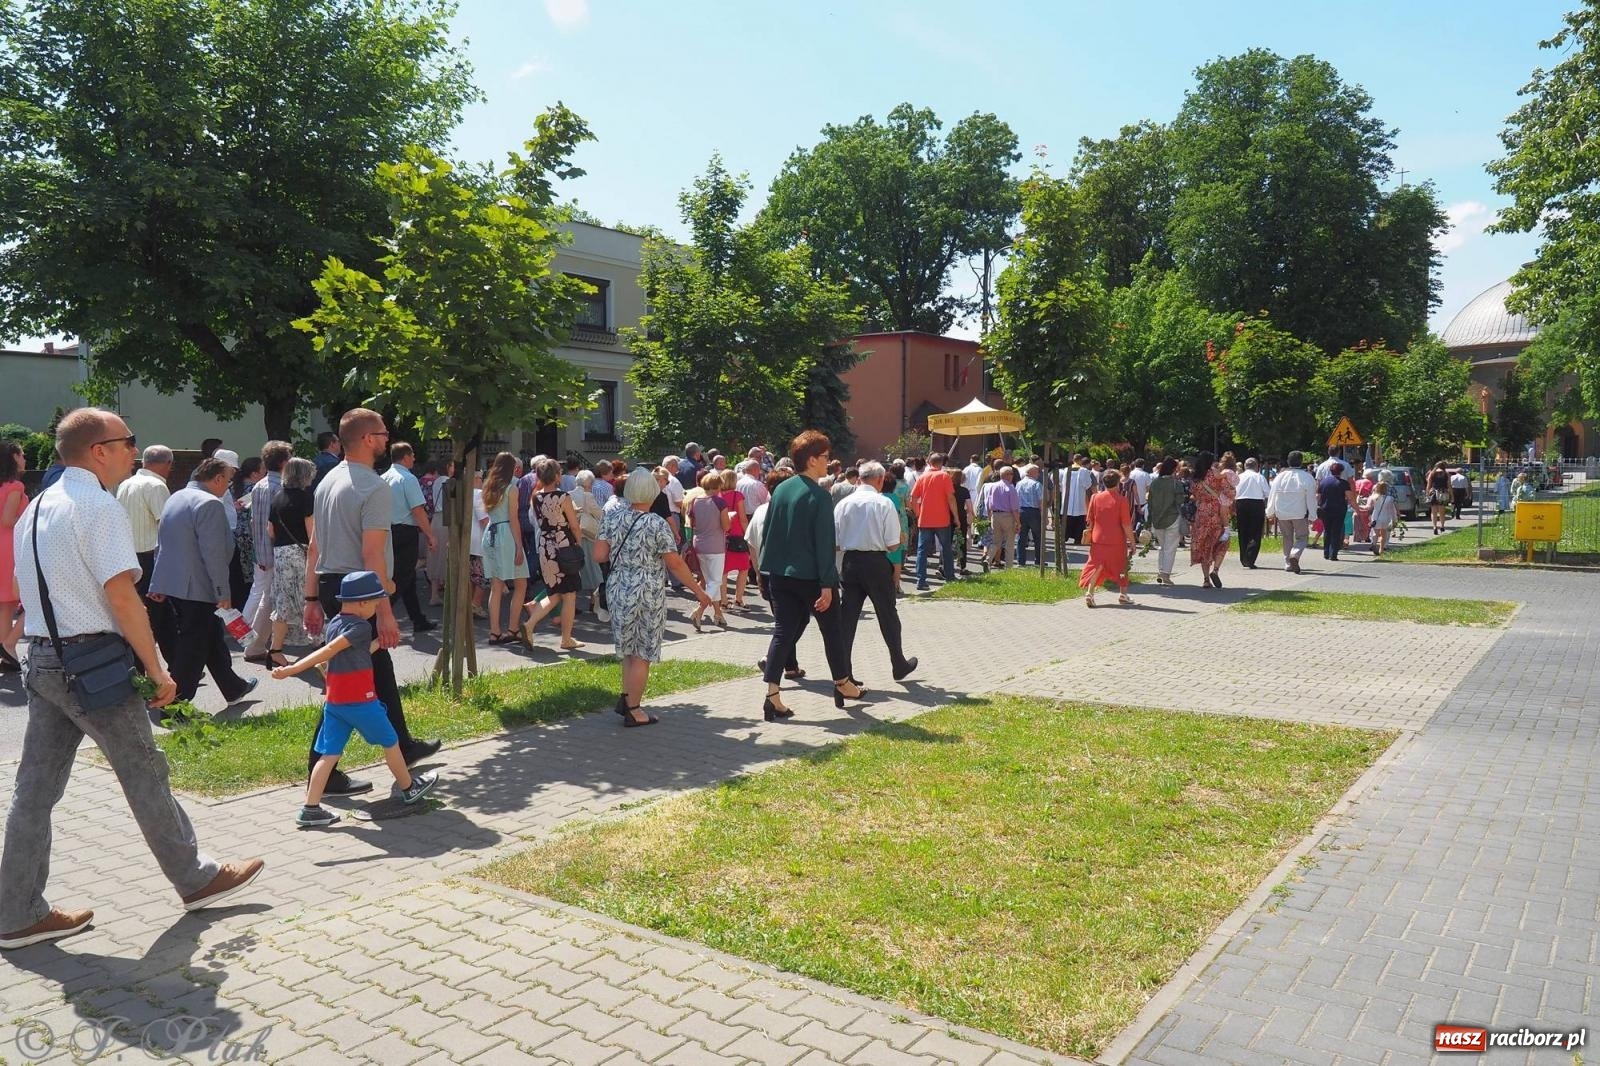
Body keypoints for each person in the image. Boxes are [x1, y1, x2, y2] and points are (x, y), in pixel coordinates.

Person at [2, 408, 263, 950]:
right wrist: (157, 667)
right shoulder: (96, 506)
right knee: (145, 771)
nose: (134, 452)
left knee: (35, 790)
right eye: (128, 442)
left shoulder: (38, 506)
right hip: (92, 664)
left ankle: (15, 910)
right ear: (99, 450)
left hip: (46, 661)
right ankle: (195, 878)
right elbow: (121, 596)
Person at [303, 408, 440, 798]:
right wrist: (384, 612)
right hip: (361, 594)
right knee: (353, 677)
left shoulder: (328, 480)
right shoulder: (373, 487)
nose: (386, 439)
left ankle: (402, 745)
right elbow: (372, 556)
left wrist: (312, 597)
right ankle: (322, 771)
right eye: (382, 433)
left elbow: (314, 546)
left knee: (374, 671)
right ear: (367, 439)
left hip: (333, 585)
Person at [272, 571, 439, 826]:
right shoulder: (360, 626)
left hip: (335, 704)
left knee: (328, 755)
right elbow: (328, 651)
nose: (375, 608)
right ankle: (409, 789)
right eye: (374, 603)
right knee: (391, 741)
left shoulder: (337, 623)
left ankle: (311, 808)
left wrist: (379, 644)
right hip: (361, 702)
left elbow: (353, 651)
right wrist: (291, 670)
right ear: (362, 603)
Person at [595, 468, 716, 727]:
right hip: (646, 591)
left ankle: (626, 698)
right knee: (642, 653)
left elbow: (599, 556)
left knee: (628, 650)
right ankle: (634, 709)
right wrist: (700, 592)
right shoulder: (656, 523)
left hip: (617, 589)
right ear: (652, 492)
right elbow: (675, 564)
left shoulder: (612, 518)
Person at [758, 430, 863, 720]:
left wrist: (763, 571)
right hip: (811, 578)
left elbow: (769, 533)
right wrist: (828, 584)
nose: (829, 461)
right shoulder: (818, 495)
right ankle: (843, 683)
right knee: (833, 631)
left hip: (780, 574)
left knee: (782, 632)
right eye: (826, 456)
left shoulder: (781, 489)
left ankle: (772, 695)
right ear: (813, 459)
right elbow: (824, 545)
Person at [148, 454, 259, 705]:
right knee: (194, 646)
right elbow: (214, 554)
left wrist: (159, 583)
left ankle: (233, 687)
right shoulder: (209, 504)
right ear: (218, 478)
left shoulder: (176, 496)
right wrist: (223, 592)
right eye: (228, 482)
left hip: (177, 585)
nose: (229, 488)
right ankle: (175, 704)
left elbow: (162, 546)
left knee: (209, 637)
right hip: (200, 586)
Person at [835, 462, 918, 681]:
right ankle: (898, 663)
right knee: (887, 614)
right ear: (880, 480)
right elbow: (892, 544)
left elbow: (835, 541)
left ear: (860, 478)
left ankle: (844, 673)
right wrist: (897, 538)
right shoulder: (883, 503)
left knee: (848, 618)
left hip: (851, 562)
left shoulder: (843, 504)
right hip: (875, 562)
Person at [521, 458, 586, 651]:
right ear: (557, 476)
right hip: (564, 547)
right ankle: (566, 639)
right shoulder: (563, 496)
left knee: (556, 592)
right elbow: (574, 525)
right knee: (570, 595)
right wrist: (578, 543)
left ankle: (530, 624)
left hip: (545, 548)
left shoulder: (536, 497)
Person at [240, 442, 292, 664]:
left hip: (261, 550)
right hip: (276, 551)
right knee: (269, 599)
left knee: (262, 595)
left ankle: (250, 639)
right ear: (283, 462)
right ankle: (255, 644)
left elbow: (254, 521)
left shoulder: (258, 486)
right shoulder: (280, 487)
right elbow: (279, 524)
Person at [381, 441, 438, 633]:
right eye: (412, 454)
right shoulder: (408, 478)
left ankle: (417, 619)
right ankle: (379, 616)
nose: (414, 458)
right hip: (405, 532)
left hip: (387, 532)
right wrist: (430, 535)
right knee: (402, 577)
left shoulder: (383, 477)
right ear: (405, 456)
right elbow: (417, 509)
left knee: (407, 577)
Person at [265, 457, 316, 665]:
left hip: (281, 554)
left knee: (283, 603)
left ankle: (274, 650)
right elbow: (312, 534)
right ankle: (322, 651)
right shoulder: (306, 498)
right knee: (310, 599)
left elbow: (270, 530)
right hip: (300, 554)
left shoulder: (278, 497)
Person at [478, 452, 529, 646]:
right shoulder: (511, 489)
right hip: (506, 534)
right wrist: (518, 546)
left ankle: (494, 632)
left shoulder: (488, 487)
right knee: (521, 583)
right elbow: (514, 520)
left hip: (490, 533)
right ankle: (513, 628)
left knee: (496, 586)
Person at [1080, 468, 1135, 607]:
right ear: (1118, 483)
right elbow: (1126, 525)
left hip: (1098, 538)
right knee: (1121, 566)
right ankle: (1123, 594)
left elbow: (1090, 519)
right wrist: (1132, 542)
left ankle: (1090, 593)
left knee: (1096, 566)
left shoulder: (1095, 498)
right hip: (1116, 540)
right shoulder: (1122, 500)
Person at [688, 471, 730, 630]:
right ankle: (699, 611)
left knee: (710, 581)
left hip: (699, 544)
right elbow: (726, 526)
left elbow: (693, 523)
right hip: (715, 545)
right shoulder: (720, 502)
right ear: (718, 485)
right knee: (715, 581)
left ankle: (718, 614)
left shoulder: (695, 501)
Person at [910, 452, 957, 590]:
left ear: (929, 462)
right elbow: (951, 498)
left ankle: (921, 580)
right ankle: (950, 577)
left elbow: (913, 498)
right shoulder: (944, 476)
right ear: (941, 463)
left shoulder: (922, 477)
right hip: (942, 519)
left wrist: (918, 513)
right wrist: (956, 517)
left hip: (925, 519)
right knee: (946, 549)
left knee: (922, 551)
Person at [0, 439, 28, 672]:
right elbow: (8, 520)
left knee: (5, 603)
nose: (25, 459)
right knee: (20, 599)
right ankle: (8, 647)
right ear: (13, 457)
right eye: (21, 455)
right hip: (9, 545)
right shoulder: (15, 487)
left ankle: (7, 651)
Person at [1189, 451, 1235, 588]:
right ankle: (1215, 570)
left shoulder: (1195, 478)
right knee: (1223, 542)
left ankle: (1205, 579)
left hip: (1201, 515)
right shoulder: (1216, 475)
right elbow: (1230, 491)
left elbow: (1194, 496)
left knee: (1204, 546)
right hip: (1216, 513)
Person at [1267, 451, 1317, 573]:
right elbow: (1311, 498)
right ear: (1301, 461)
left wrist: (1269, 512)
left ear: (1288, 462)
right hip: (1299, 513)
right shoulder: (1307, 477)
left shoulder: (1279, 476)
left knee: (1287, 537)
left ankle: (1288, 563)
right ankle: (1295, 554)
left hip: (1282, 512)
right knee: (1302, 537)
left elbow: (1272, 495)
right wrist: (1312, 515)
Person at [718, 469, 753, 610]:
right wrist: (748, 535)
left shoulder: (717, 496)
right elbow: (743, 518)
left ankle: (724, 601)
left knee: (723, 571)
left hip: (722, 536)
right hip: (737, 536)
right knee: (744, 568)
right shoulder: (737, 496)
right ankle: (738, 599)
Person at [1146, 458, 1183, 585]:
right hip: (1172, 518)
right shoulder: (1175, 484)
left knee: (1162, 547)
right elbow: (1180, 502)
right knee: (1170, 548)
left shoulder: (1154, 483)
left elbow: (1150, 503)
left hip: (1157, 519)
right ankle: (1165, 574)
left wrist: (1149, 519)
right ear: (1173, 469)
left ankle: (1161, 570)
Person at [426, 459, 454, 605]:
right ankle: (449, 594)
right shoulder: (450, 482)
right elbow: (452, 505)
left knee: (435, 556)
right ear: (448, 466)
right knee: (446, 556)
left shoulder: (436, 481)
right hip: (446, 519)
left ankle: (434, 594)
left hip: (436, 519)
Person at [1234, 457, 1270, 569]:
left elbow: (1234, 491)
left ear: (1245, 466)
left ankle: (1244, 557)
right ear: (1257, 466)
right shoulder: (1259, 477)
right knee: (1255, 532)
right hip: (1257, 503)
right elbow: (1267, 493)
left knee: (1243, 531)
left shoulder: (1239, 477)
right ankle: (1250, 557)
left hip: (1241, 503)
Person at [983, 466, 1021, 571]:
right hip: (1008, 516)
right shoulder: (1011, 488)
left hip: (995, 515)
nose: (1013, 476)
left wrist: (990, 516)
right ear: (1008, 475)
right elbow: (1014, 508)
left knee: (996, 542)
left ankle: (988, 559)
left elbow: (988, 503)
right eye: (1012, 474)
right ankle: (1009, 568)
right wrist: (1018, 522)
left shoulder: (993, 486)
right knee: (1009, 542)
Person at [1318, 461, 1353, 561]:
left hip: (1325, 509)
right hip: (1339, 509)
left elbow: (1318, 496)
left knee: (1327, 530)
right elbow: (1349, 497)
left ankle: (1326, 553)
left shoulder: (1323, 482)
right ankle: (1333, 554)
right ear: (1341, 472)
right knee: (1336, 531)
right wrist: (1355, 507)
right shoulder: (1344, 483)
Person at [1015, 462, 1044, 566]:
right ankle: (1038, 560)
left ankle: (1021, 561)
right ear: (1033, 472)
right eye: (1037, 472)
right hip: (1034, 512)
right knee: (1038, 537)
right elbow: (1041, 501)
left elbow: (1016, 499)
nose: (1039, 475)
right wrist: (1043, 514)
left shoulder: (1019, 484)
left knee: (1021, 537)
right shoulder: (1037, 484)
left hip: (1021, 511)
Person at [1060, 455, 1093, 544]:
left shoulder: (1066, 470)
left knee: (1067, 518)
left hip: (1067, 499)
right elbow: (1088, 484)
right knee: (1079, 519)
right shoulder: (1084, 471)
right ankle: (1077, 538)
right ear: (1080, 460)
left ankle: (1064, 537)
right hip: (1079, 499)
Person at [1367, 481, 1399, 556]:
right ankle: (1381, 549)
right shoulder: (1390, 498)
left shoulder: (1372, 497)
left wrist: (1359, 508)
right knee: (1384, 534)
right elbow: (1392, 510)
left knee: (1375, 533)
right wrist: (1395, 519)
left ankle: (1374, 544)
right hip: (1386, 517)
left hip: (1375, 517)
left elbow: (1368, 507)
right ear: (1386, 489)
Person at [1351, 464, 1376, 545]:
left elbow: (1355, 492)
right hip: (1366, 500)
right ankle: (1366, 536)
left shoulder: (1357, 482)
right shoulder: (1370, 483)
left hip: (1358, 500)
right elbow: (1372, 493)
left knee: (1357, 517)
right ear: (1370, 476)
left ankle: (1357, 536)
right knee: (1367, 518)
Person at [1427, 462, 1451, 535]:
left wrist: (1427, 493)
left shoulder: (1432, 473)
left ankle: (1434, 527)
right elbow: (1449, 485)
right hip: (1443, 493)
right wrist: (1451, 495)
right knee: (1442, 512)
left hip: (1434, 493)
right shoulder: (1446, 474)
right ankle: (1442, 526)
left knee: (1433, 512)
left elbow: (1428, 485)